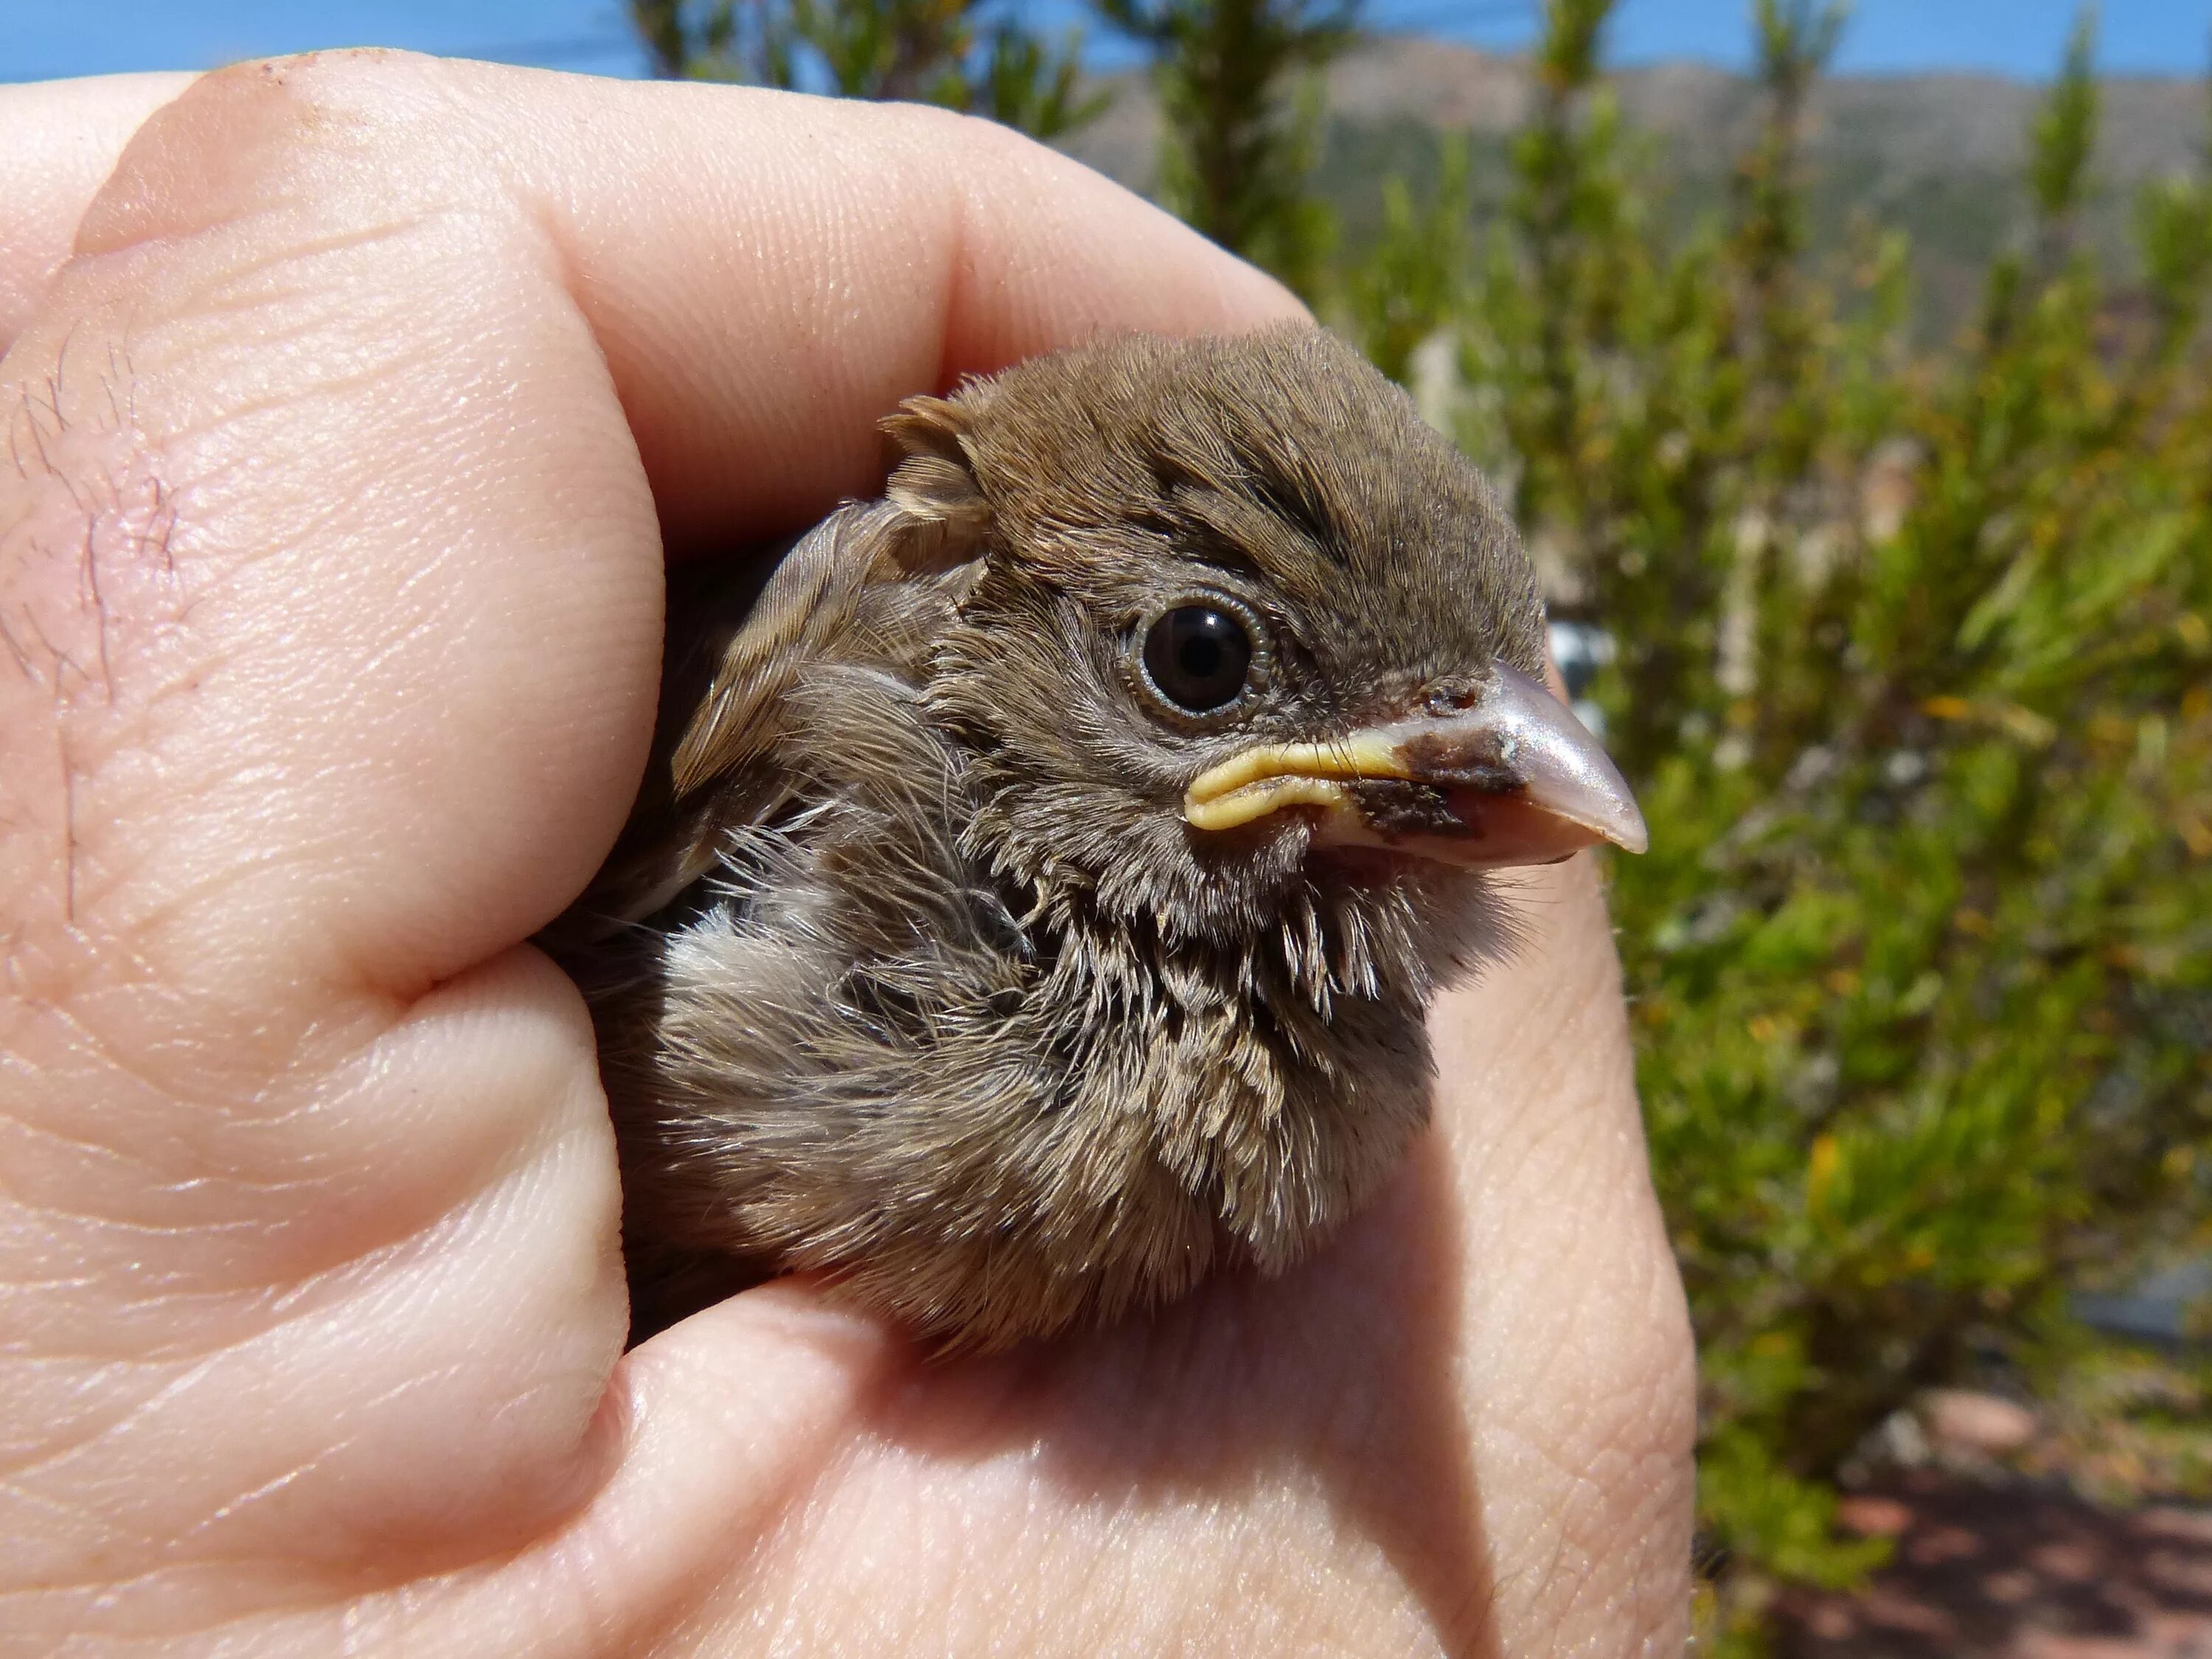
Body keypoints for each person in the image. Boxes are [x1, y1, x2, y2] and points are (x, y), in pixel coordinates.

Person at [0, 55, 1694, 1655]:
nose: (1490, 786)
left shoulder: (1355, 1021)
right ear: (993, 615)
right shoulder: (855, 723)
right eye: (1199, 660)